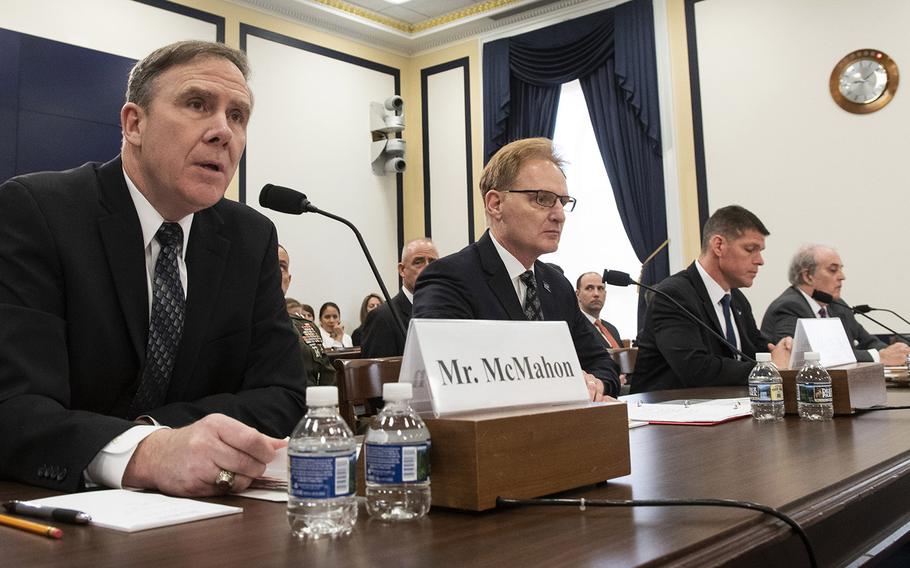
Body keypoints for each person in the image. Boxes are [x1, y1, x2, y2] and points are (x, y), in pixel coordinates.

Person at [0, 41, 306, 496]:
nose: (223, 131)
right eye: (198, 104)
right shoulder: (38, 211)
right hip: (54, 512)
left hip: (205, 514)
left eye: (238, 115)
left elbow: (281, 394)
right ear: (134, 123)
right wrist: (143, 453)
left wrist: (158, 433)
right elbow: (15, 406)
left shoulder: (250, 237)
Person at [412, 138, 620, 399]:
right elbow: (448, 380)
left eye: (562, 202)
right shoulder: (449, 279)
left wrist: (594, 385)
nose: (559, 215)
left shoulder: (557, 285)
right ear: (495, 204)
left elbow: (604, 366)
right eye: (543, 199)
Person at [631, 205, 791, 393]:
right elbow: (696, 369)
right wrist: (768, 368)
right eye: (750, 249)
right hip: (668, 411)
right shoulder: (673, 295)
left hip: (724, 407)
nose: (760, 260)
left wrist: (782, 349)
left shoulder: (736, 299)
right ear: (718, 246)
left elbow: (754, 347)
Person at [761, 245, 910, 365]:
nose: (842, 276)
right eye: (833, 270)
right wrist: (879, 356)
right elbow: (803, 357)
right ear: (807, 276)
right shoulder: (789, 306)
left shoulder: (836, 305)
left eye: (841, 269)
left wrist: (897, 353)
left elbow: (868, 341)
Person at [361, 238, 439, 358]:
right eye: (418, 262)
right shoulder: (382, 317)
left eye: (433, 263)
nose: (427, 268)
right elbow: (376, 373)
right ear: (402, 270)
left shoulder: (446, 312)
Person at [278, 244, 335, 386]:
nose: (275, 272)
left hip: (309, 404)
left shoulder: (306, 327)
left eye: (281, 266)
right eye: (268, 265)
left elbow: (328, 378)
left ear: (289, 279)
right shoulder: (242, 325)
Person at [576, 271, 624, 348]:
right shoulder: (575, 327)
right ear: (577, 294)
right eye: (589, 288)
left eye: (600, 288)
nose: (596, 294)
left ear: (605, 293)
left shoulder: (612, 329)